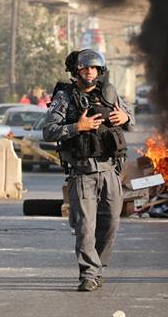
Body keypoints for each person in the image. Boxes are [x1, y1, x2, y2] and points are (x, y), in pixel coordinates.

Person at [43, 49, 132, 292]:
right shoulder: (66, 98)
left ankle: (98, 266)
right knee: (84, 227)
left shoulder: (109, 93)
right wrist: (76, 127)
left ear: (99, 71)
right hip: (82, 172)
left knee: (111, 223)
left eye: (93, 68)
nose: (89, 72)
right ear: (77, 71)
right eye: (84, 68)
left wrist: (124, 117)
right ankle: (89, 273)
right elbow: (48, 130)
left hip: (110, 170)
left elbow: (130, 118)